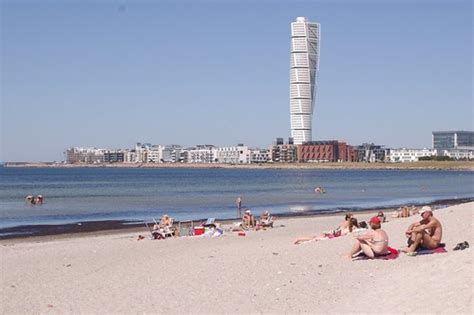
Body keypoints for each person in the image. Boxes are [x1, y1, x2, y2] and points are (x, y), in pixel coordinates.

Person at [294, 217, 361, 245]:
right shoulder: (353, 229)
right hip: (333, 235)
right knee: (315, 237)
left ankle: (299, 239)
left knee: (314, 237)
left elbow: (339, 232)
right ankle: (299, 239)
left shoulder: (350, 228)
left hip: (333, 235)